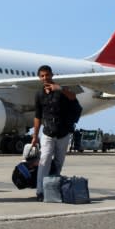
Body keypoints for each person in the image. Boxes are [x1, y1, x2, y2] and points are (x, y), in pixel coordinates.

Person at [30, 65, 81, 202]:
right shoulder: (39, 94)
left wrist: (60, 89)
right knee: (44, 160)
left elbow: (73, 98)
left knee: (58, 162)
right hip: (47, 132)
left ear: (52, 75)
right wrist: (35, 135)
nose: (45, 78)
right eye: (42, 76)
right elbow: (37, 116)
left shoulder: (61, 91)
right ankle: (40, 191)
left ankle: (53, 187)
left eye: (47, 75)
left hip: (63, 132)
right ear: (39, 78)